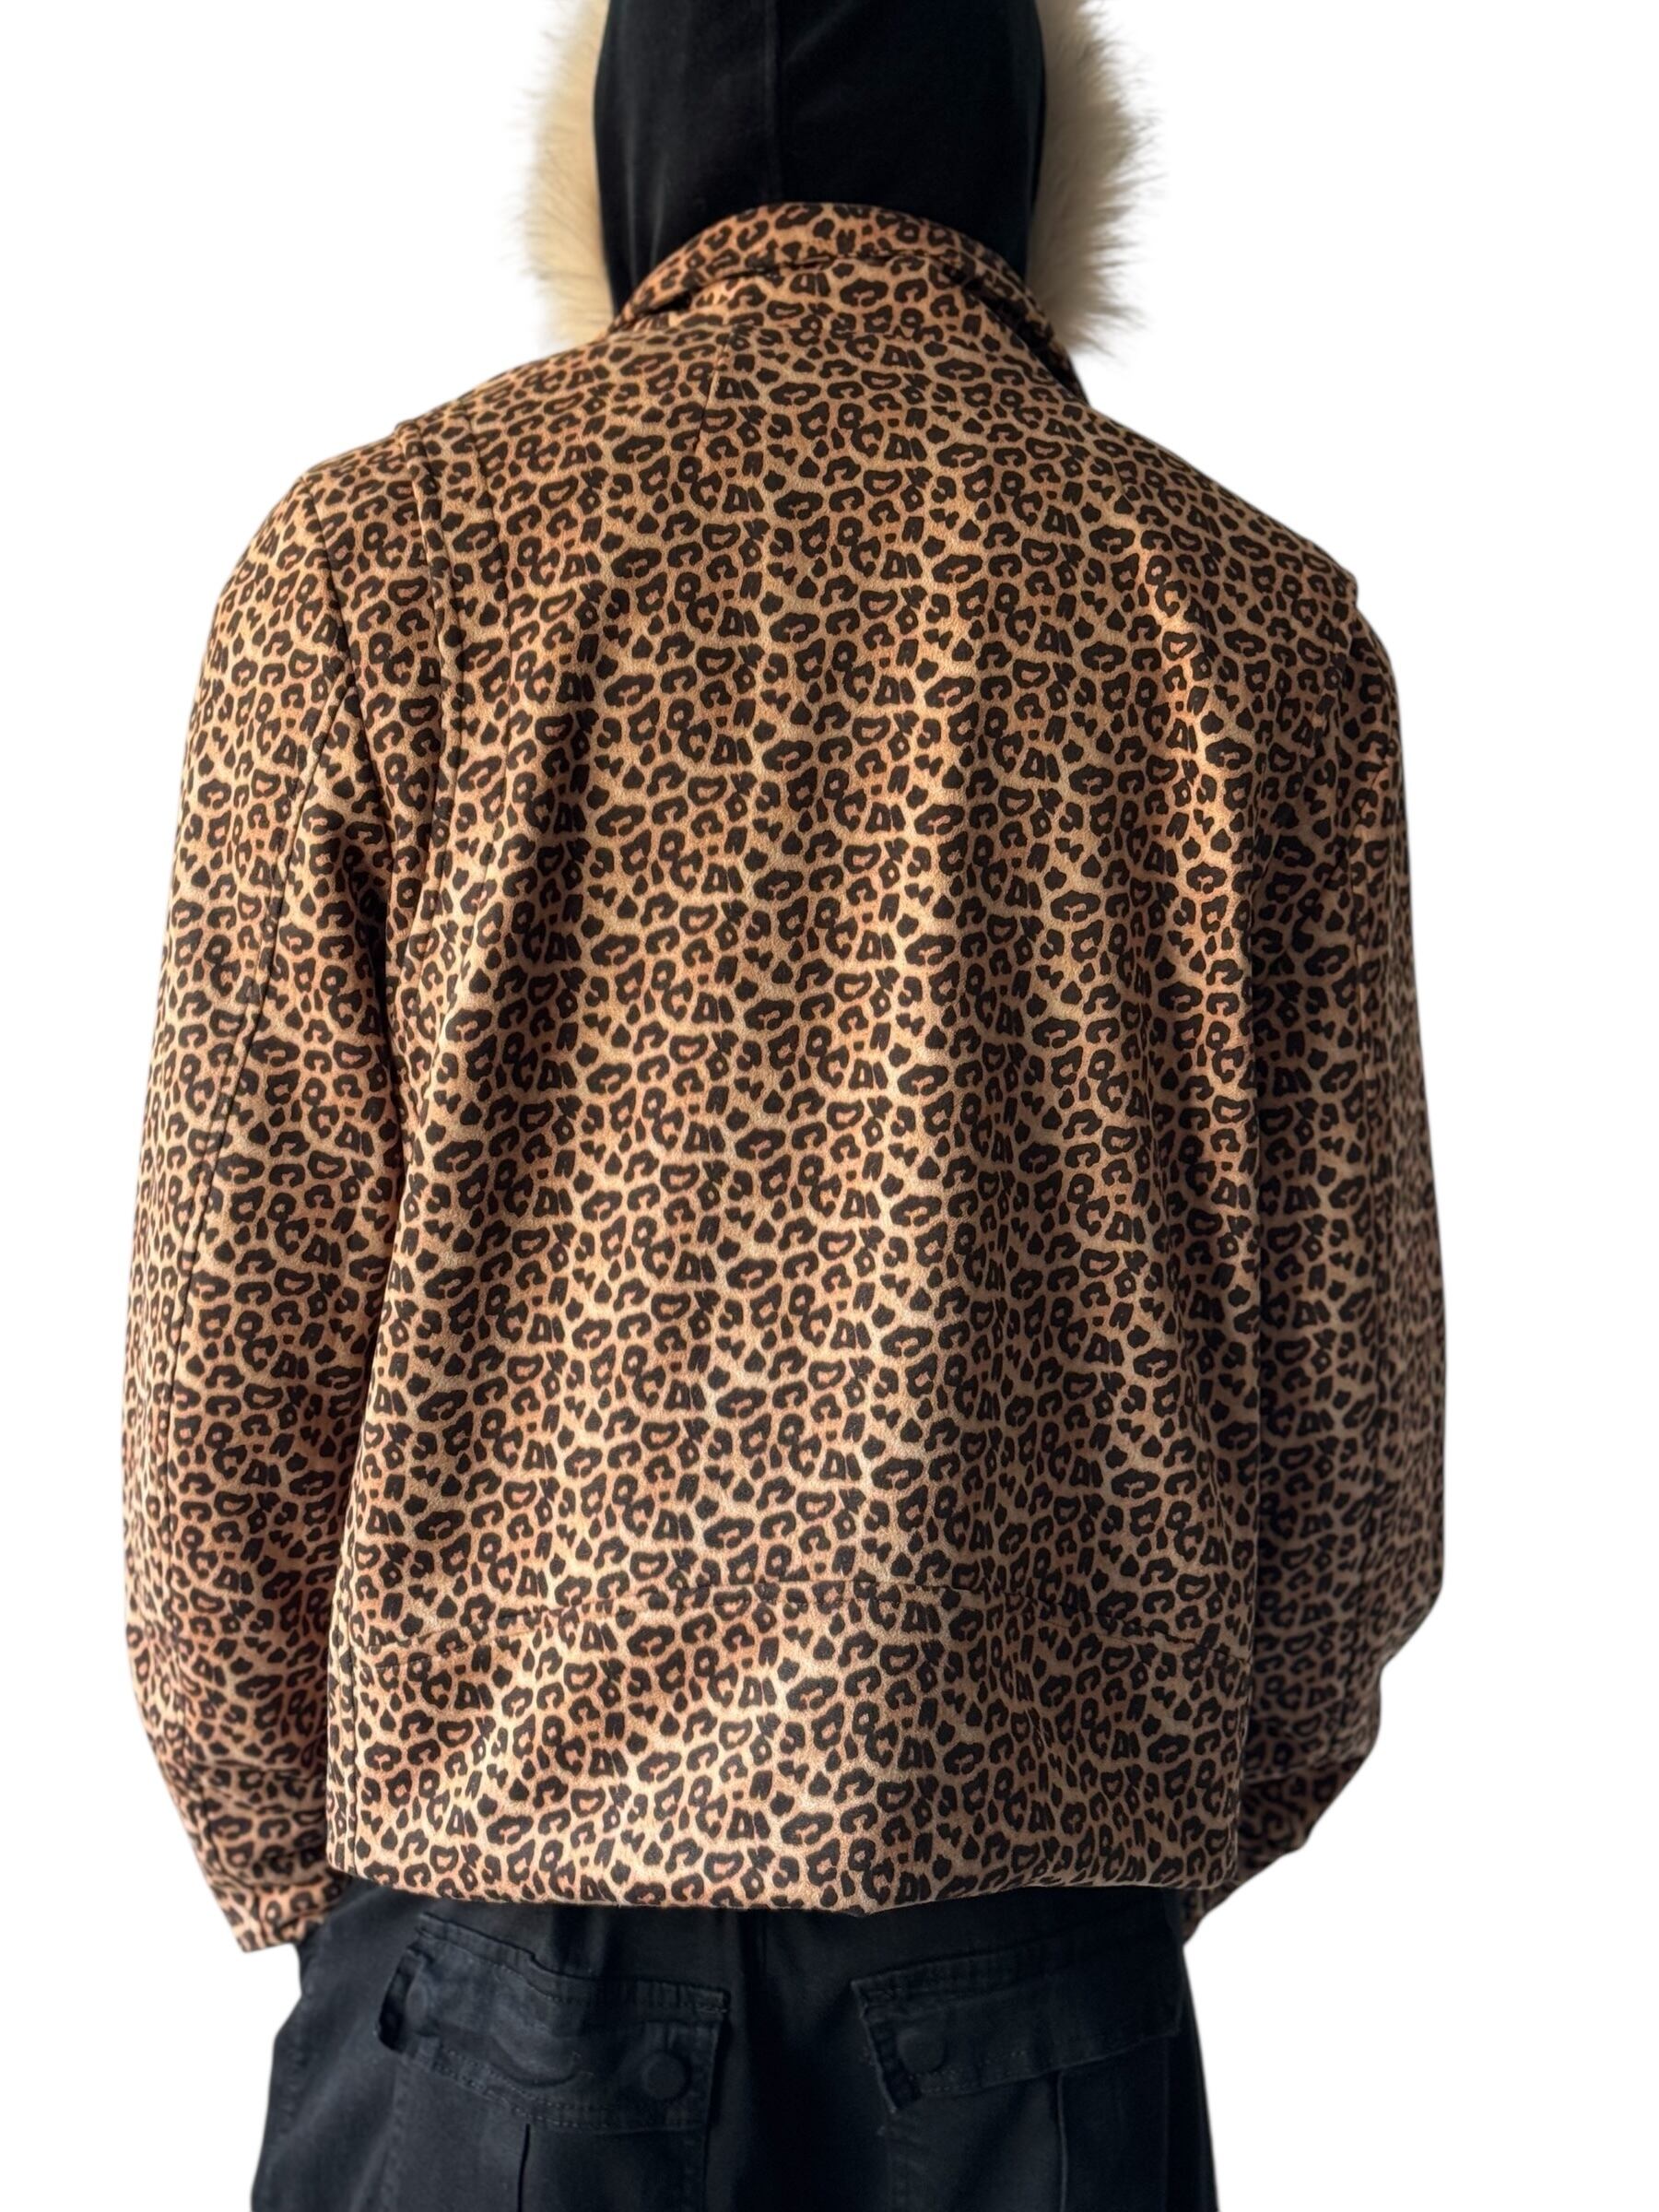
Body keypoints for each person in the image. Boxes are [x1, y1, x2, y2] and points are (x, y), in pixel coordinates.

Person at [120, 4, 1445, 2206]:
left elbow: (226, 1375)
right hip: (1030, 1978)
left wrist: (337, 1894)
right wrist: (1116, 1872)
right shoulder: (1254, 637)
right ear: (1029, 155)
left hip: (496, 1959)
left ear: (620, 156)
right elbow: (1353, 1451)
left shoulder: (372, 575)